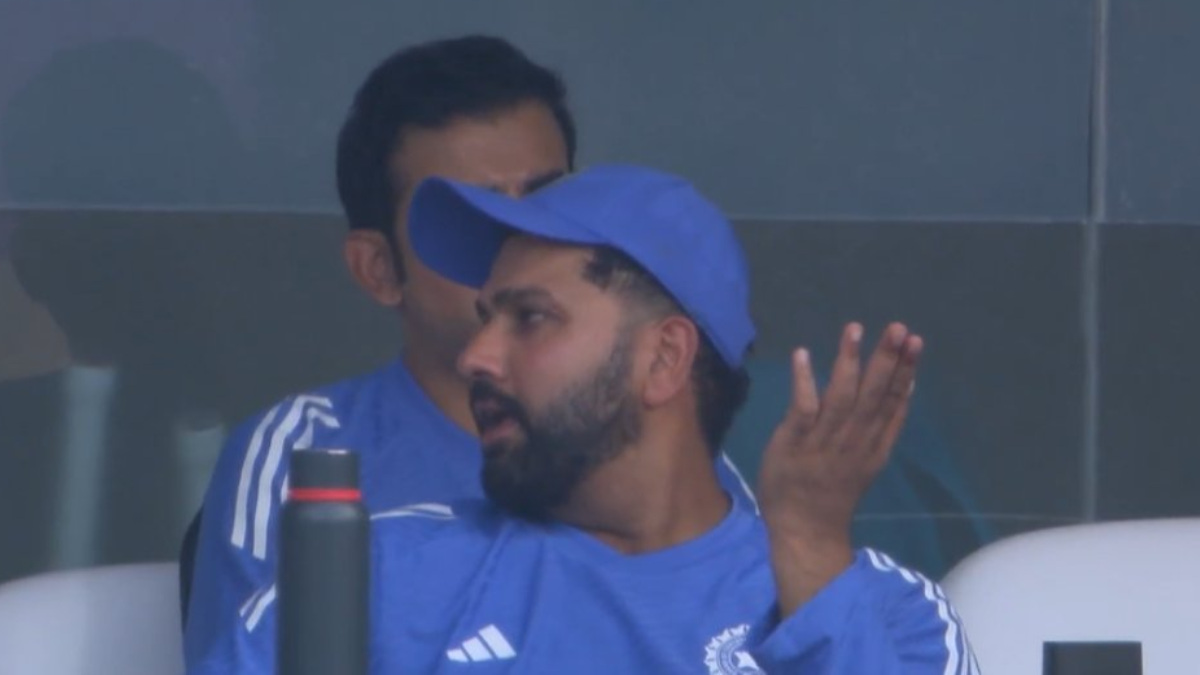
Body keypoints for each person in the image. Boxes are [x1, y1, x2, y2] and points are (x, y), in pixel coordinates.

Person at [191, 165, 977, 674]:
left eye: (530, 318)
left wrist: (806, 546)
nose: (477, 356)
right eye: (485, 316)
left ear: (664, 360)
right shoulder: (372, 576)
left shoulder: (890, 614)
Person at [182, 36, 756, 663]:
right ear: (377, 269)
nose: (516, 233)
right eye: (464, 209)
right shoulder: (305, 454)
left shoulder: (655, 456)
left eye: (545, 197)